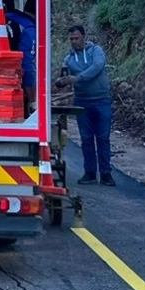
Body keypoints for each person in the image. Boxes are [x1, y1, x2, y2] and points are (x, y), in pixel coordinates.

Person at [59, 24, 114, 186]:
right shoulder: (69, 59)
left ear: (83, 36)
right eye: (71, 39)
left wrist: (78, 78)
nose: (74, 42)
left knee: (103, 138)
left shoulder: (96, 51)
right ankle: (90, 172)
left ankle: (106, 173)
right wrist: (61, 81)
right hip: (82, 101)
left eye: (76, 38)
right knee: (87, 139)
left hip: (102, 100)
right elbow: (65, 74)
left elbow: (97, 67)